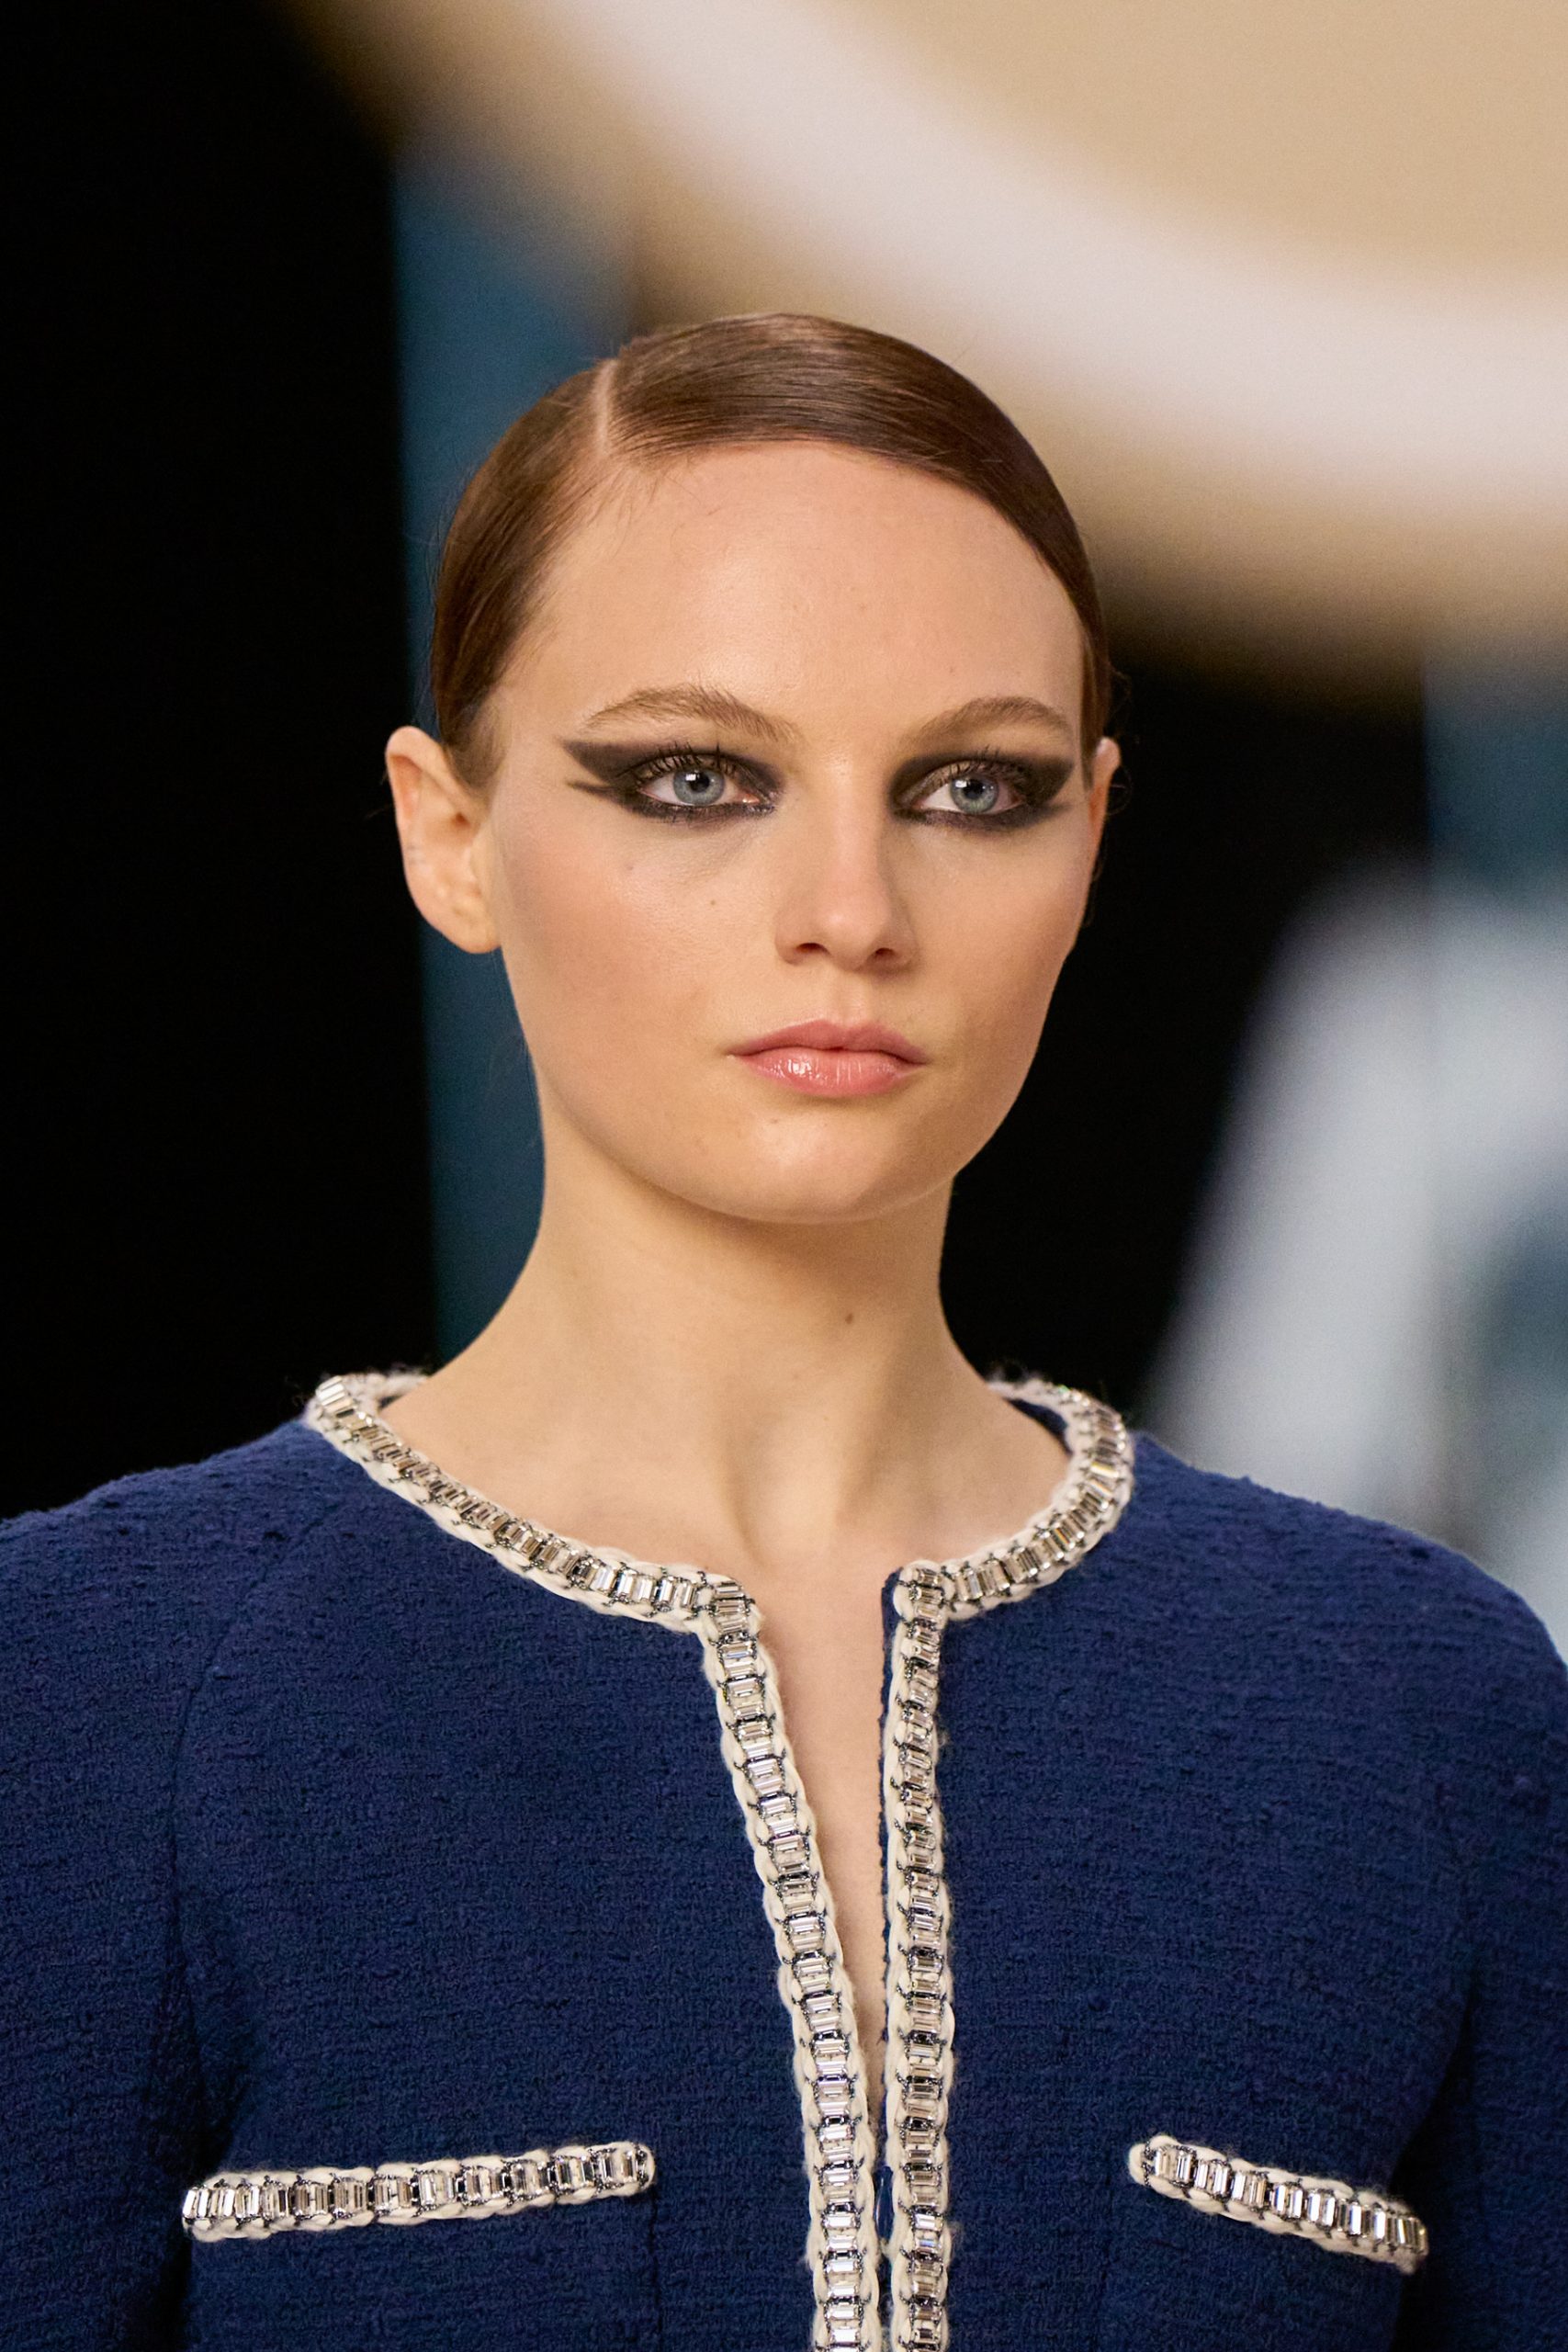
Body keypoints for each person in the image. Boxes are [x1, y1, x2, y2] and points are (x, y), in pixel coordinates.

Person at [2, 314, 1562, 2352]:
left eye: (973, 787)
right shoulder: (90, 1688)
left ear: (1092, 838)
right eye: (695, 777)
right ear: (447, 831)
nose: (850, 906)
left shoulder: (1417, 1711)